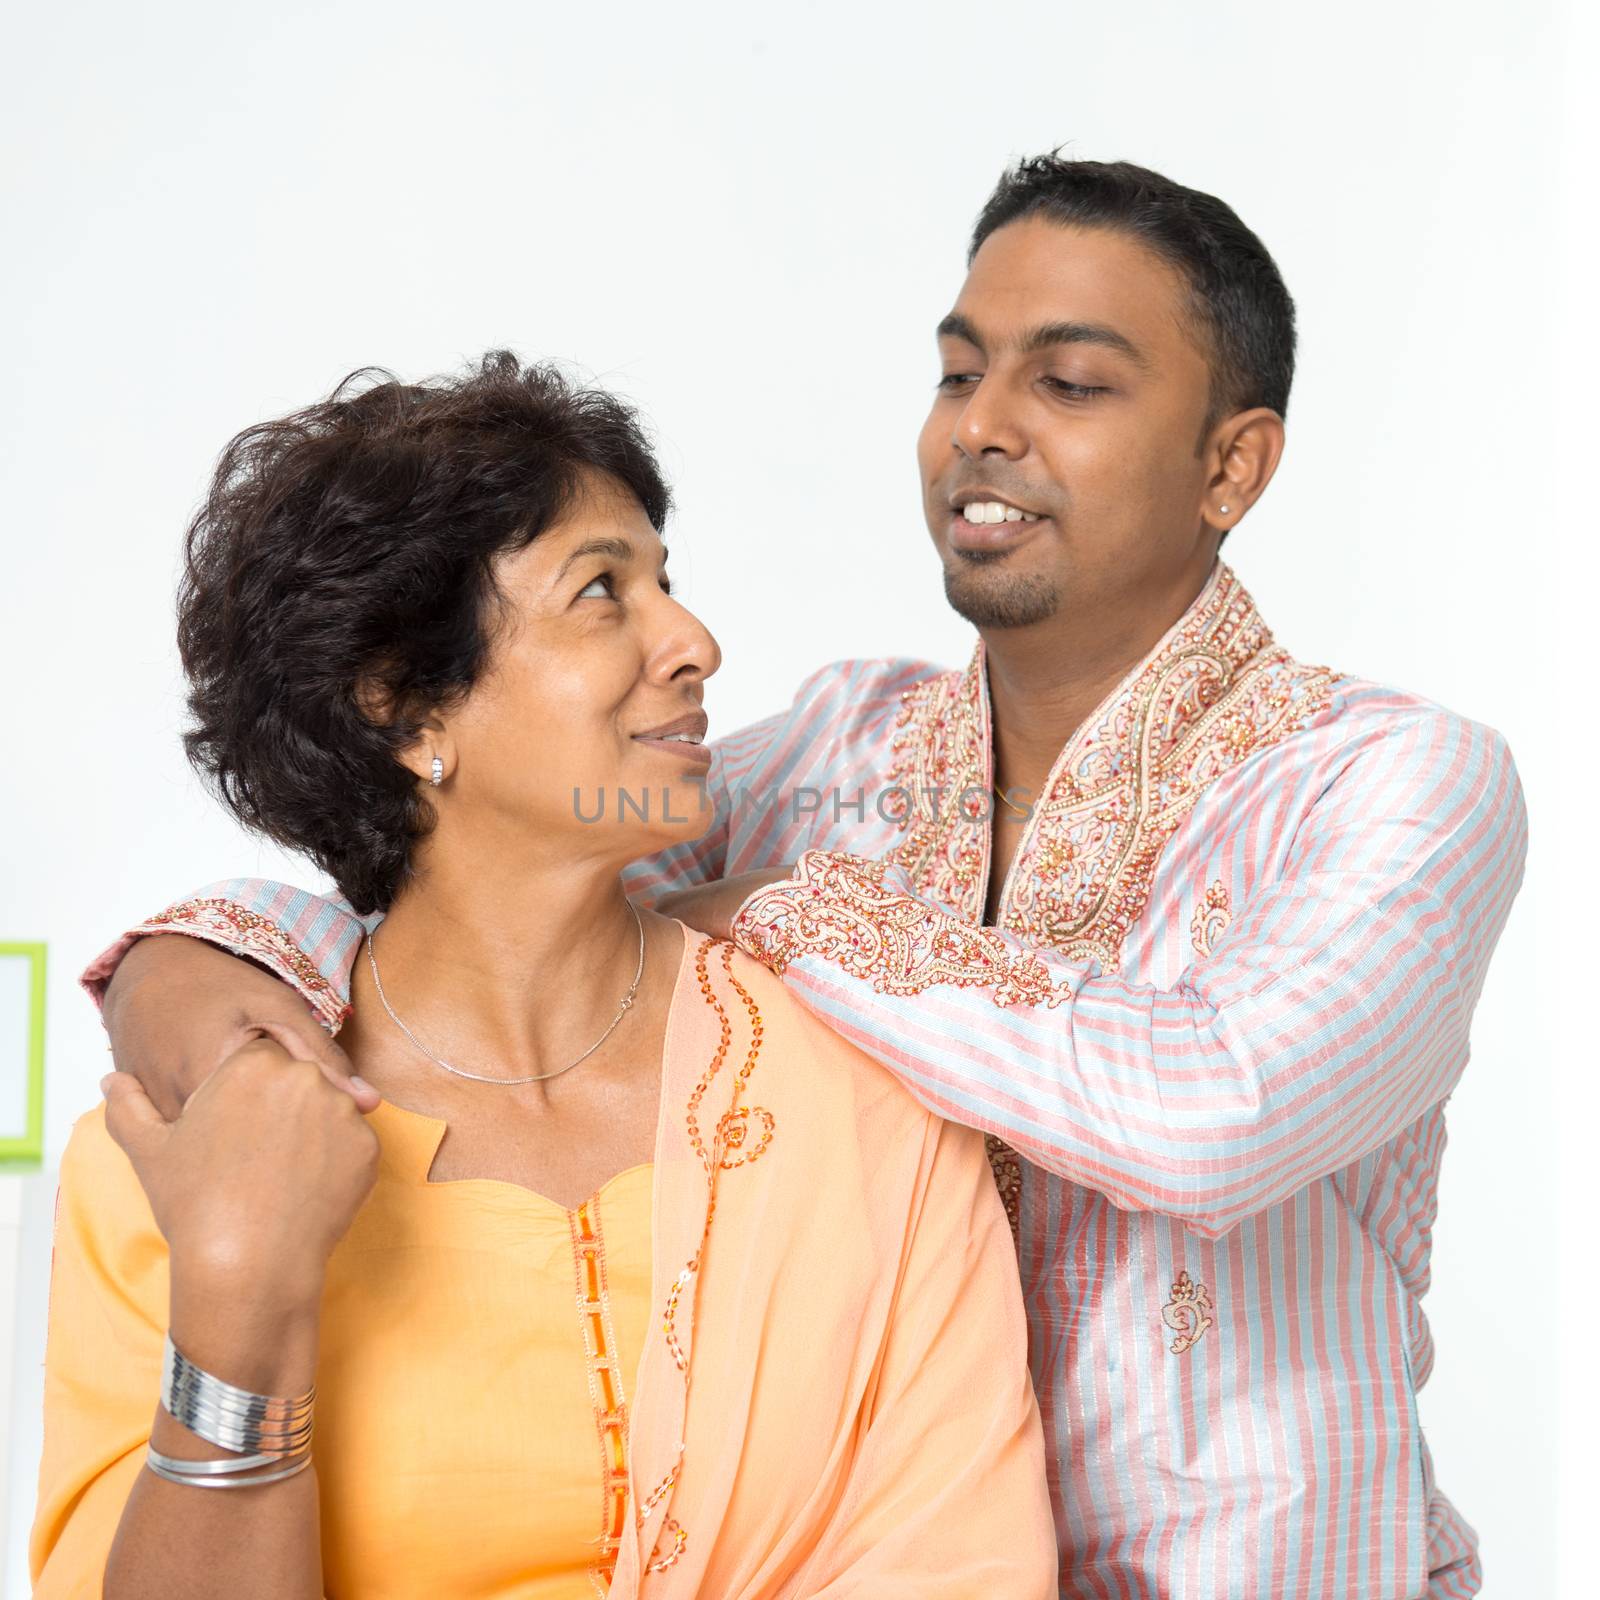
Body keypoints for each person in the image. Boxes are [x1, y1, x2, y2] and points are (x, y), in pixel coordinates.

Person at [82, 156, 1527, 1599]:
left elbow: (1215, 1112)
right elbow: (498, 887)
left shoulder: (1391, 781)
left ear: (1232, 464)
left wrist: (788, 907)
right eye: (960, 374)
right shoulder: (846, 744)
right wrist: (191, 963)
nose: (985, 428)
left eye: (1070, 385)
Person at [29, 355, 1056, 1599]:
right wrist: (241, 1300)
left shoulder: (862, 1076)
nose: (694, 644)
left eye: (664, 583)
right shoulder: (178, 1143)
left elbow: (958, 1559)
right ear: (408, 713)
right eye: (600, 594)